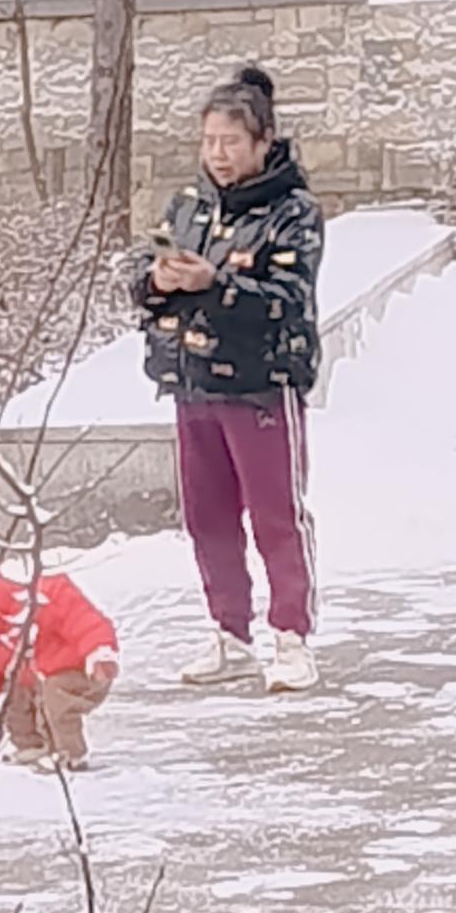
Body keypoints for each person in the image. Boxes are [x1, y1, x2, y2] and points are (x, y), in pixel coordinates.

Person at [131, 64, 324, 695]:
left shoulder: (292, 211)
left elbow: (288, 297)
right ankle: (229, 633)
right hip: (191, 379)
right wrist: (157, 281)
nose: (217, 154)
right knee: (207, 516)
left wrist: (216, 285)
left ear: (263, 143)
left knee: (276, 514)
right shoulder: (186, 206)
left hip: (262, 381)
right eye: (209, 141)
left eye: (231, 142)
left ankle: (291, 636)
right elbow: (144, 269)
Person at [0, 555, 119, 772]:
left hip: (83, 669)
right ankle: (30, 746)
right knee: (15, 695)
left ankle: (68, 754)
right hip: (38, 677)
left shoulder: (41, 594)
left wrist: (100, 653)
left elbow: (84, 620)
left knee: (56, 699)